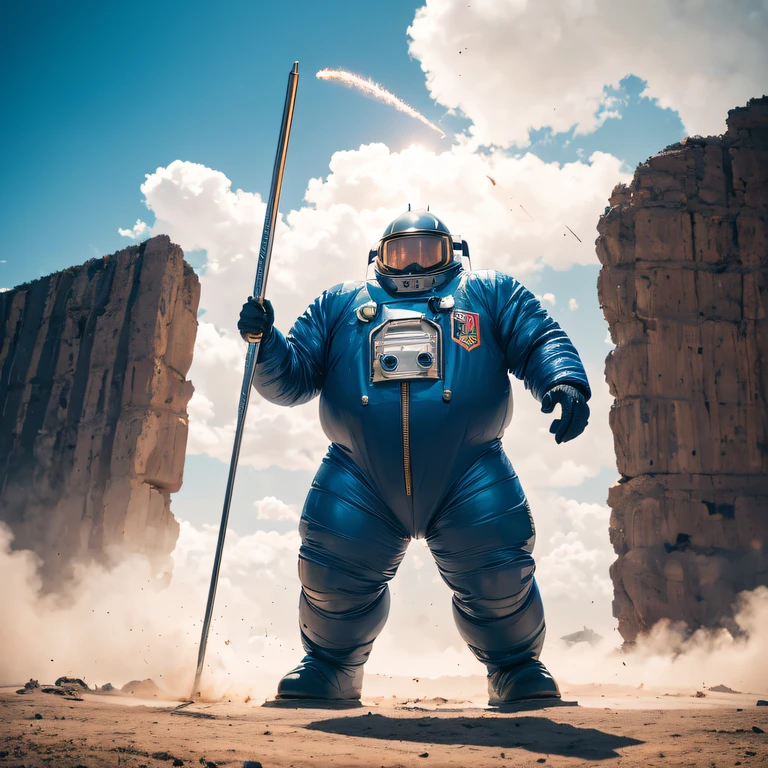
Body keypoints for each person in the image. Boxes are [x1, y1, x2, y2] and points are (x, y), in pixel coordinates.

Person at [238, 208, 590, 704]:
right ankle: (331, 668)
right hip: (359, 473)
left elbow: (538, 336)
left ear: (454, 254)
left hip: (468, 469)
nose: (414, 266)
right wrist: (265, 341)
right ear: (378, 258)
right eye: (400, 253)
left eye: (429, 252)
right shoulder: (339, 304)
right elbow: (292, 378)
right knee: (331, 571)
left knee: (497, 569)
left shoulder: (488, 293)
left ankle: (515, 669)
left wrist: (563, 378)